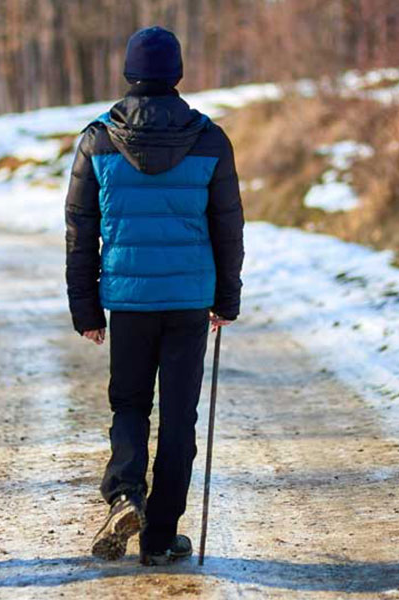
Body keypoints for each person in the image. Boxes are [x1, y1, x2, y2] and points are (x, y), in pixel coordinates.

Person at [65, 26, 244, 566]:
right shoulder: (209, 139)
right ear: (177, 74)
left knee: (129, 404)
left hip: (129, 301)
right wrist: (226, 298)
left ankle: (124, 495)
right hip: (189, 300)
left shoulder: (98, 139)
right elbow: (228, 225)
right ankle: (161, 536)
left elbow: (79, 229)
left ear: (129, 73)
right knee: (179, 416)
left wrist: (85, 307)